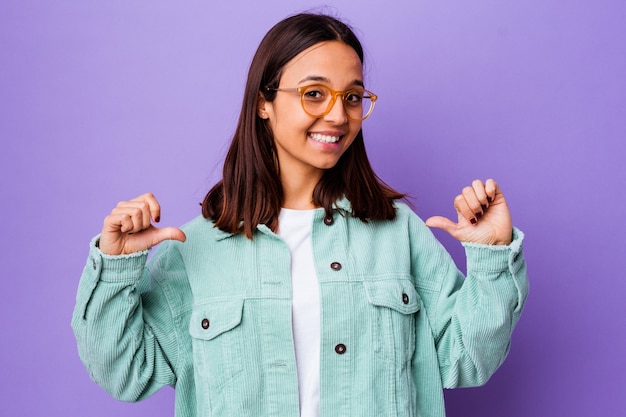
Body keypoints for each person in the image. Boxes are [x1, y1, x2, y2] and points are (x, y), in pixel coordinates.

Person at [72, 13, 528, 417]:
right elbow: (127, 376)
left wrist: (491, 258)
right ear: (263, 103)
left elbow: (465, 358)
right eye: (314, 93)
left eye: (352, 97)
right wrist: (116, 270)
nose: (337, 115)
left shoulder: (397, 232)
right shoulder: (197, 249)